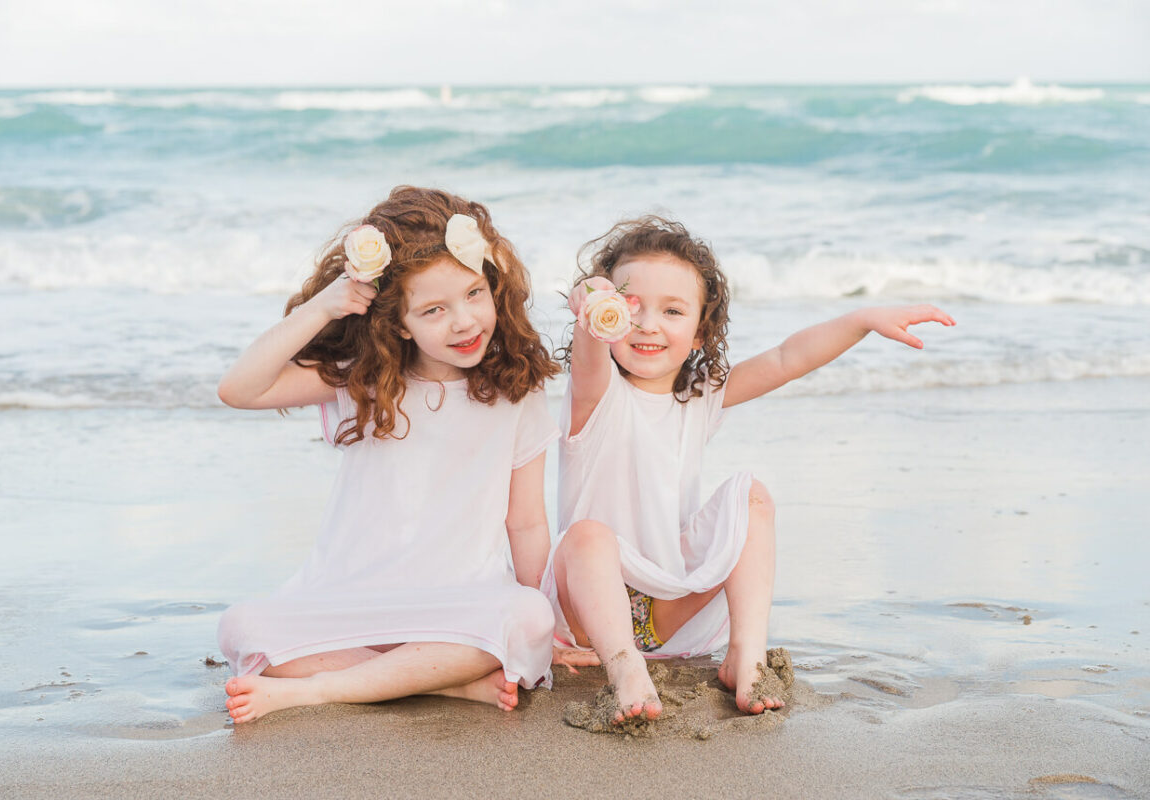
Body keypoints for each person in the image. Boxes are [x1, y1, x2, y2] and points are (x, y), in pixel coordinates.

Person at [546, 216, 955, 723]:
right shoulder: (595, 394)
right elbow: (589, 355)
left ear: (699, 331)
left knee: (751, 497)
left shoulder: (700, 398)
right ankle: (626, 671)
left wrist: (861, 320)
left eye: (672, 310)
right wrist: (591, 299)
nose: (648, 324)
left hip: (667, 609)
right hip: (588, 614)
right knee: (586, 536)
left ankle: (747, 654)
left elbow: (786, 358)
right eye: (630, 307)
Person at [216, 186, 561, 723]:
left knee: (529, 615)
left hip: (459, 603)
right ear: (399, 322)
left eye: (474, 294)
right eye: (434, 310)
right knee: (243, 627)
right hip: (349, 600)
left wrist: (548, 621)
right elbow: (240, 390)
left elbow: (527, 521)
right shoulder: (366, 379)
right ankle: (443, 686)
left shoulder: (518, 390)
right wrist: (321, 306)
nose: (464, 322)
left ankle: (321, 688)